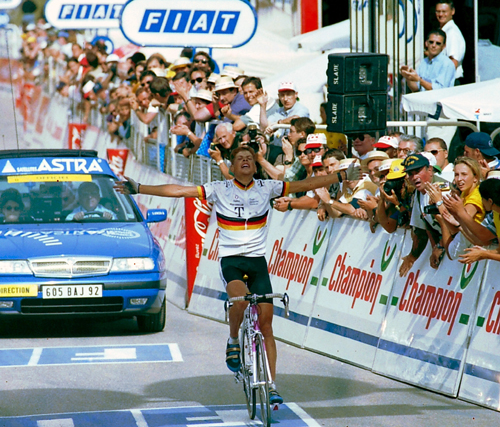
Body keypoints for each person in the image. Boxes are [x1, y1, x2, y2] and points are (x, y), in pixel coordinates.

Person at [116, 147, 360, 405]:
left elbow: (305, 183)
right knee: (240, 301)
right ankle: (233, 338)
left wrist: (341, 177)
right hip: (231, 262)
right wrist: (140, 187)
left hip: (257, 262)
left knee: (266, 325)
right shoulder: (218, 188)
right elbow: (178, 191)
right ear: (232, 167)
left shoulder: (267, 187)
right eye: (239, 159)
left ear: (255, 166)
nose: (245, 161)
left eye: (249, 159)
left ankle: (272, 385)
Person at [399, 153, 445, 275]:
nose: (414, 177)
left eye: (417, 171)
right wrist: (412, 256)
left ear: (430, 170)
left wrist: (440, 247)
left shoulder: (443, 190)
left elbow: (456, 226)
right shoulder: (418, 194)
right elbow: (421, 231)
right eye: (410, 174)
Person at [460, 179, 500, 264]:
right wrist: (485, 252)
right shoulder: (496, 214)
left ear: (490, 201)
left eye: (482, 198)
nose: (481, 202)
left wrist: (485, 254)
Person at [435, 0, 466, 84]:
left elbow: (453, 62)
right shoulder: (442, 31)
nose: (441, 14)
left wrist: (442, 82)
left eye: (444, 11)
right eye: (438, 11)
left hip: (449, 81)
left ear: (452, 11)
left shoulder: (452, 33)